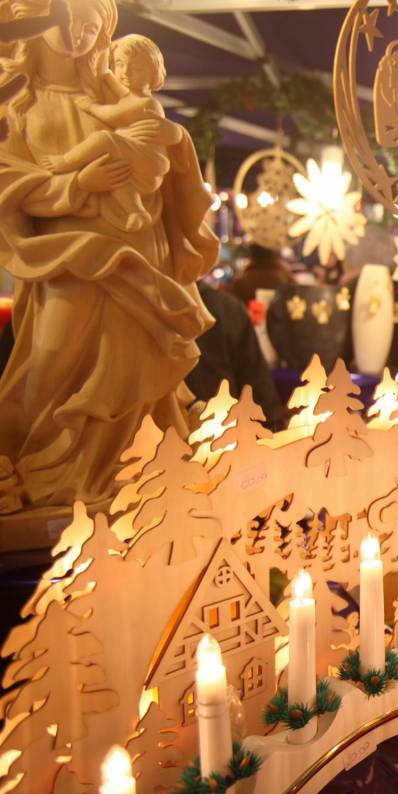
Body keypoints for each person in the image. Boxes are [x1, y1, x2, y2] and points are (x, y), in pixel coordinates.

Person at [0, 0, 217, 509]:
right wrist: (76, 185)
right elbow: (8, 179)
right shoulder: (17, 104)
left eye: (89, 27)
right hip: (66, 254)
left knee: (132, 361)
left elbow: (156, 142)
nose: (77, 36)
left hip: (136, 248)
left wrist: (170, 155)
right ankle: (24, 461)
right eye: (67, 24)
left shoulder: (108, 90)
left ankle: (124, 470)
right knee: (49, 361)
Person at [38, 33, 180, 233]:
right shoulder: (130, 97)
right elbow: (122, 92)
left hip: (149, 161)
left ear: (153, 73)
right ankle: (135, 210)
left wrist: (92, 107)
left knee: (103, 139)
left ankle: (66, 161)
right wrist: (105, 73)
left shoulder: (148, 103)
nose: (125, 72)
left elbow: (113, 114)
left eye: (136, 68)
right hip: (134, 162)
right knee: (112, 171)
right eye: (120, 64)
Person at [187, 284, 285, 430]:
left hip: (154, 444)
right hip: (225, 438)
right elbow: (260, 394)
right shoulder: (226, 307)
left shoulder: (143, 308)